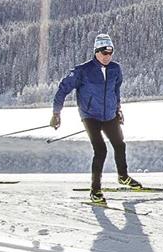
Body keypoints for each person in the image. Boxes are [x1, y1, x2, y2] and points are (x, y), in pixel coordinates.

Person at [51, 33, 140, 203]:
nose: (107, 56)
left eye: (110, 52)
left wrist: (118, 109)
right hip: (90, 116)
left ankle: (123, 176)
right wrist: (56, 113)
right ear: (96, 51)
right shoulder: (82, 71)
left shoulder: (115, 69)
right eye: (103, 52)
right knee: (101, 150)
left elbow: (116, 91)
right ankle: (95, 191)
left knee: (120, 145)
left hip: (109, 115)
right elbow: (62, 89)